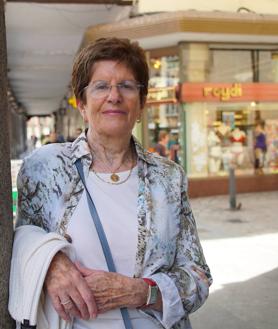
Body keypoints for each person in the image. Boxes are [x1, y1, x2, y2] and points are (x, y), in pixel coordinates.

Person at [9, 38, 212, 329]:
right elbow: (20, 241)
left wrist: (140, 291)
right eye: (101, 86)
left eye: (127, 86)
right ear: (81, 103)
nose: (114, 96)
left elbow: (198, 277)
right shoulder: (46, 168)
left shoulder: (168, 177)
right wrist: (51, 264)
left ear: (141, 104)